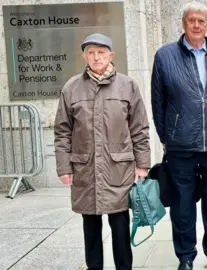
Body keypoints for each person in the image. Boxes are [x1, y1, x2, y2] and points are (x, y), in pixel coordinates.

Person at [150, 2, 207, 270]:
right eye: (192, 20)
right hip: (181, 146)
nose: (197, 25)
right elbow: (158, 101)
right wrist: (165, 135)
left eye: (201, 20)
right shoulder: (165, 56)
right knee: (183, 206)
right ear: (184, 24)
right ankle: (186, 257)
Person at [54, 33, 150, 270]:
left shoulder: (128, 86)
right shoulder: (71, 88)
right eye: (91, 53)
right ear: (84, 56)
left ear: (111, 55)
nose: (96, 57)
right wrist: (64, 166)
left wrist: (143, 164)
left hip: (119, 170)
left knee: (120, 227)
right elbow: (62, 131)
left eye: (101, 52)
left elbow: (139, 129)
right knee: (91, 229)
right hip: (86, 170)